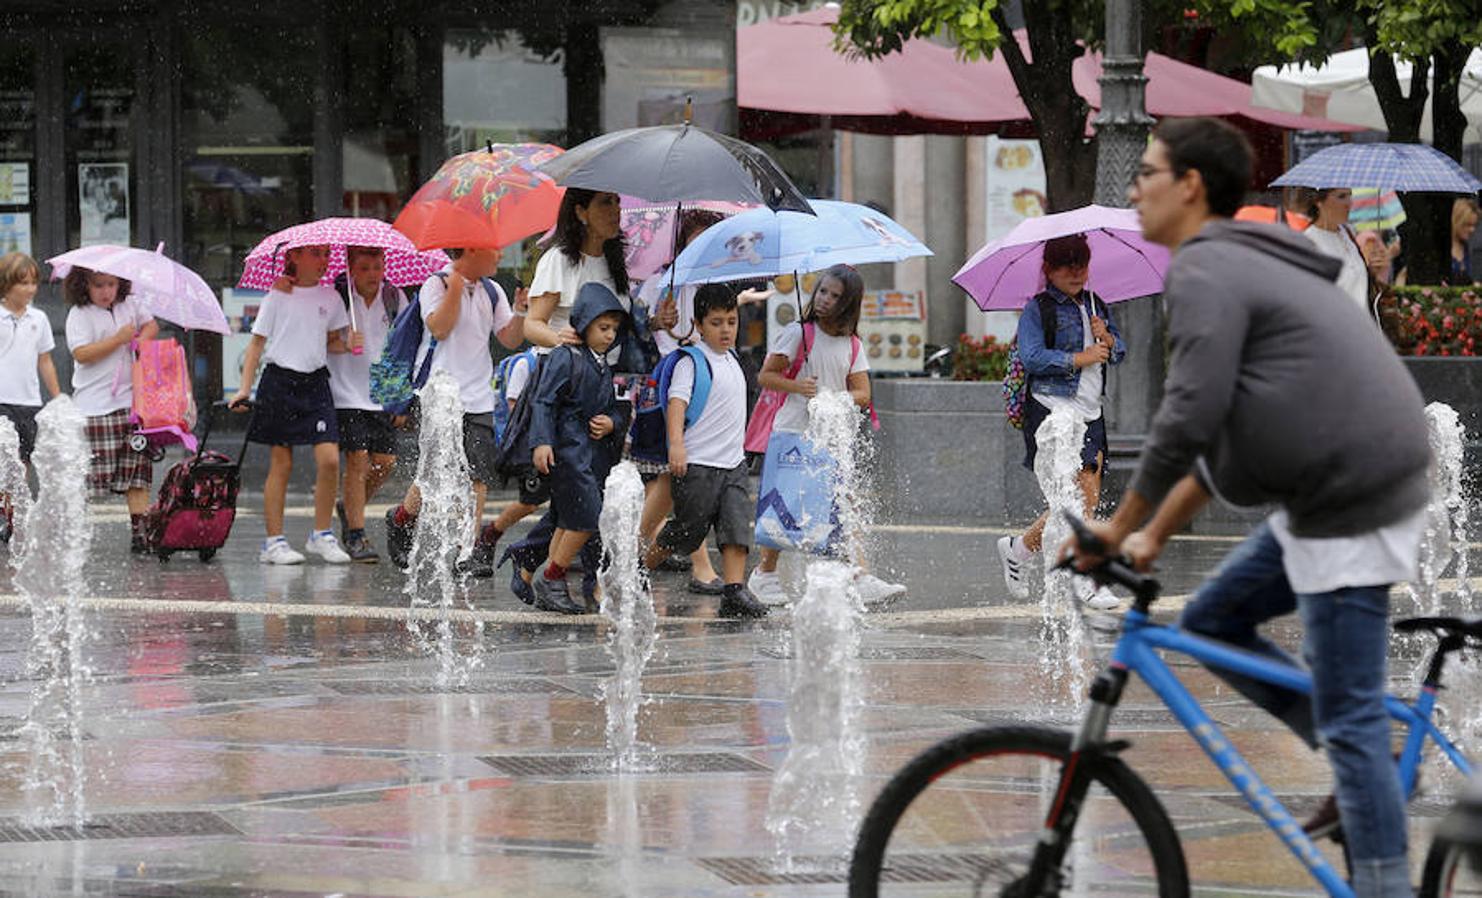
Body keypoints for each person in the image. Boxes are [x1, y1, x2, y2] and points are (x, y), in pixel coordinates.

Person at [1071, 117, 1430, 898]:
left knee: (1352, 716)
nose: (1134, 188)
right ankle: (1358, 754)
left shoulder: (1208, 268)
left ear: (1191, 186)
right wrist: (1154, 536)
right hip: (1339, 482)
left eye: (1149, 172)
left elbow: (1190, 413)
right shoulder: (1244, 261)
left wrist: (1118, 524)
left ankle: (1381, 871)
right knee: (1210, 622)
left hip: (1352, 492)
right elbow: (1224, 423)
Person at [502, 188, 654, 604]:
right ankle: (562, 575)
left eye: (618, 202)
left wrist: (656, 320)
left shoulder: (617, 264)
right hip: (567, 388)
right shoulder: (559, 260)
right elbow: (532, 325)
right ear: (581, 211)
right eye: (605, 203)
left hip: (606, 388)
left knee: (589, 491)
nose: (616, 211)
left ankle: (536, 562)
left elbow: (619, 327)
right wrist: (563, 338)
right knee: (585, 493)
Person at [745, 265, 904, 607]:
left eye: (835, 296)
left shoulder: (852, 343)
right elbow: (766, 376)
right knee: (782, 503)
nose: (825, 300)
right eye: (822, 292)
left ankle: (859, 576)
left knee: (844, 502)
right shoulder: (798, 333)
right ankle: (764, 574)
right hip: (793, 431)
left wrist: (834, 399)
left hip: (831, 436)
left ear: (848, 304)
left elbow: (863, 392)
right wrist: (797, 386)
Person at [995, 234, 1125, 611]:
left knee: (1084, 497)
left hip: (1090, 412)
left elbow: (1119, 352)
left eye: (1081, 262)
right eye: (1066, 264)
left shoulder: (1097, 303)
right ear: (1048, 269)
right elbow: (1032, 356)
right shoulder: (1039, 309)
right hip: (1052, 410)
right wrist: (1080, 357)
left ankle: (1019, 549)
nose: (1076, 271)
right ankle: (1086, 579)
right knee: (1077, 494)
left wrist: (1109, 339)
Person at [383, 247, 524, 573]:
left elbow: (509, 339)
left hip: (478, 396)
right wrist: (458, 286)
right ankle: (401, 518)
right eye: (492, 250)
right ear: (472, 251)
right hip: (440, 394)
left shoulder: (492, 289)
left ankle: (468, 550)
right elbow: (440, 328)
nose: (498, 256)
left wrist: (520, 312)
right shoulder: (436, 284)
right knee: (433, 472)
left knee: (477, 473)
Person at [644, 285, 768, 618]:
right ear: (698, 324)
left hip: (732, 463)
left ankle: (734, 590)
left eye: (731, 321)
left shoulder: (733, 359)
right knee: (686, 529)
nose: (726, 329)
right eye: (716, 322)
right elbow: (676, 404)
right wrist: (677, 446)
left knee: (736, 527)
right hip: (698, 462)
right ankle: (639, 570)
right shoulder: (692, 361)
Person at [229, 244, 353, 565]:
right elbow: (256, 344)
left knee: (329, 460)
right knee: (280, 464)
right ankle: (273, 542)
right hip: (279, 382)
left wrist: (348, 343)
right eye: (315, 253)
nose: (323, 260)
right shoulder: (277, 296)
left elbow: (329, 341)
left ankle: (322, 534)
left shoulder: (332, 298)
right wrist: (244, 389)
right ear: (295, 257)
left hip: (316, 383)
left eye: (326, 254)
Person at [634, 208, 728, 593]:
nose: (700, 246)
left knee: (676, 476)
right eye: (694, 238)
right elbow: (635, 328)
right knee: (678, 472)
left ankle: (633, 553)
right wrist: (657, 321)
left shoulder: (714, 283)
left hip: (707, 383)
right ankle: (700, 565)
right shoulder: (661, 280)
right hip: (670, 380)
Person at [524, 282, 630, 615]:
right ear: (583, 323)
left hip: (588, 455)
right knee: (587, 518)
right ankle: (552, 577)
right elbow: (543, 401)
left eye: (613, 328)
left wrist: (612, 422)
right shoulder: (564, 356)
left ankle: (550, 580)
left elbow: (614, 406)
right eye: (603, 327)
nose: (610, 335)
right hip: (568, 452)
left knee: (571, 518)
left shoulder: (600, 364)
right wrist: (541, 442)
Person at [64, 265, 159, 553]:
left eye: (111, 284)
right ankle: (73, 532)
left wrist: (140, 341)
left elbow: (151, 324)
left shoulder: (130, 305)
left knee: (136, 474)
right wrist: (117, 340)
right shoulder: (79, 315)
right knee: (91, 478)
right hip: (95, 407)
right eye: (99, 285)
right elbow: (81, 354)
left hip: (132, 405)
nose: (106, 292)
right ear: (84, 286)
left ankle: (140, 534)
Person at [327, 246, 406, 563]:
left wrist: (400, 396)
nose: (373, 274)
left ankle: (349, 507)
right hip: (345, 392)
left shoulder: (394, 296)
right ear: (350, 269)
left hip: (380, 394)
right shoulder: (337, 297)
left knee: (385, 463)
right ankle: (357, 535)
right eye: (365, 268)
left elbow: (402, 346)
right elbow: (318, 338)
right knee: (357, 459)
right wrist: (344, 343)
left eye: (378, 266)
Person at [0, 252, 61, 546]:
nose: (29, 289)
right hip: (1, 400)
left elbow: (45, 360)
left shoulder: (40, 318)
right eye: (22, 283)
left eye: (33, 283)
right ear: (5, 285)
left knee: (22, 460)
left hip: (28, 402)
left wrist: (57, 396)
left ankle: (10, 512)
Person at [1302, 188, 1373, 312]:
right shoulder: (1309, 242)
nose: (1349, 203)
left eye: (1350, 195)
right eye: (1341, 196)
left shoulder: (1347, 233)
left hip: (1360, 325)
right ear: (1319, 202)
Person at [1451, 198, 1478, 285]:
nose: (1472, 230)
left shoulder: (1468, 249)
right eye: (1467, 225)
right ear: (1457, 221)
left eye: (1474, 225)